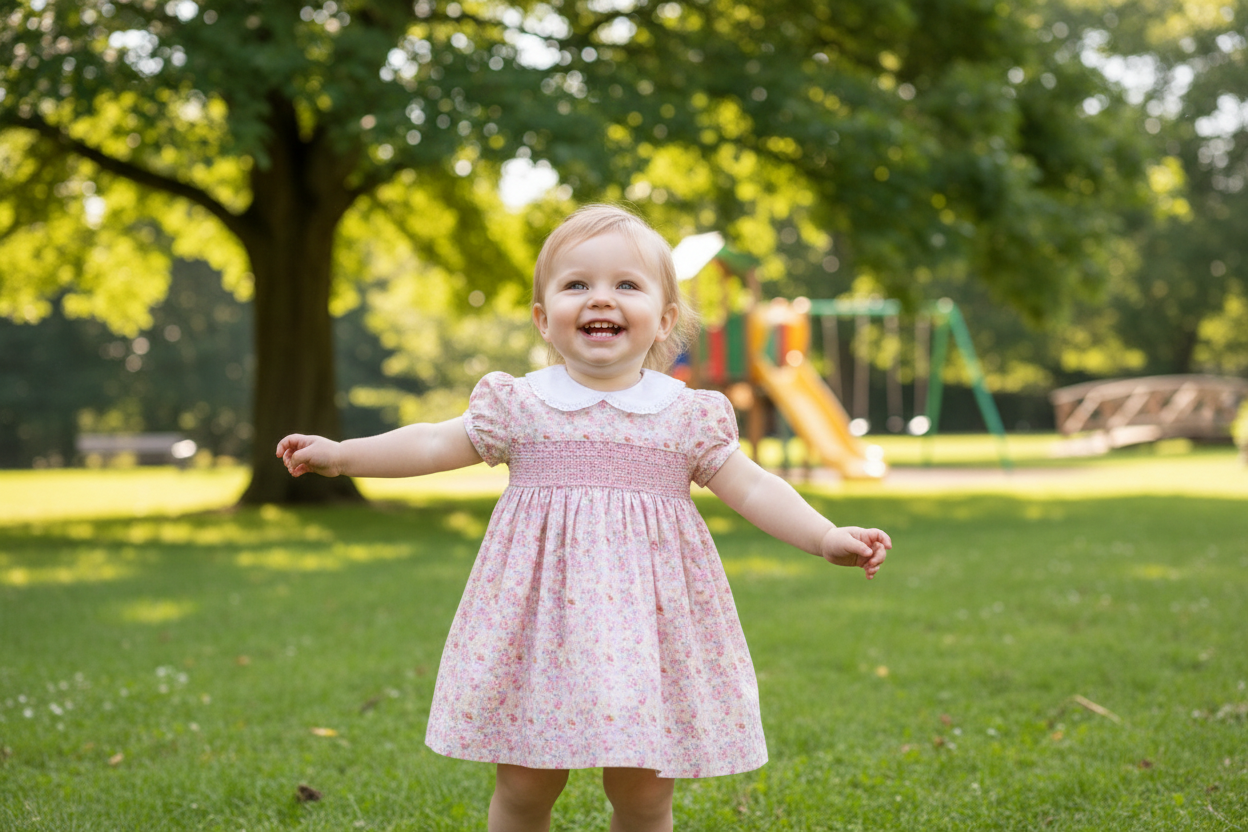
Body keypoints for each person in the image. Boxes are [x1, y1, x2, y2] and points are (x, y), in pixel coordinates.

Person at [276, 204, 891, 832]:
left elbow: (756, 488)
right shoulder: (521, 406)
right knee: (523, 788)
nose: (602, 299)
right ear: (544, 319)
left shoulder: (686, 417)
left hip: (649, 637)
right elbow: (433, 443)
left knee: (645, 795)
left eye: (627, 284)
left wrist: (824, 536)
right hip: (540, 631)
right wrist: (343, 456)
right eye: (577, 285)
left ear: (665, 319)